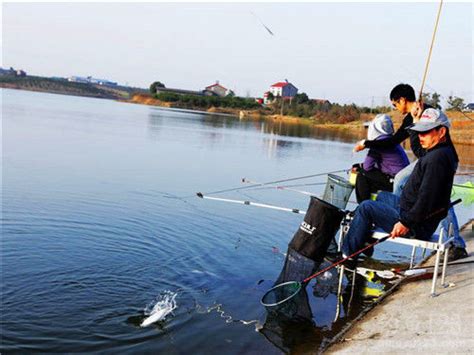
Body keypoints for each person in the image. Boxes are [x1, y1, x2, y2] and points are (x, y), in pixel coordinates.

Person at [353, 84, 467, 261]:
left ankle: (451, 241)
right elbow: (398, 141)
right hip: (430, 158)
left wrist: (366, 144)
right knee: (400, 180)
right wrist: (413, 121)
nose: (396, 110)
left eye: (395, 105)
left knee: (437, 198)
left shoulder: (427, 114)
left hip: (437, 159)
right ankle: (401, 215)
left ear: (402, 100)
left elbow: (416, 150)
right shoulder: (413, 116)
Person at [354, 114, 409, 203]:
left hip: (395, 181)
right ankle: (372, 204)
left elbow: (367, 167)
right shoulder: (391, 140)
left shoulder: (378, 144)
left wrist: (360, 167)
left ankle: (363, 206)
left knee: (362, 175)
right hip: (402, 181)